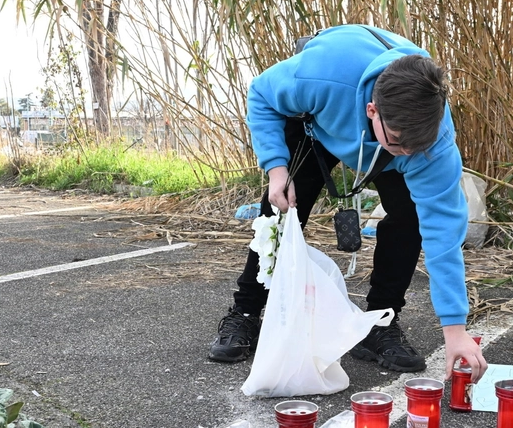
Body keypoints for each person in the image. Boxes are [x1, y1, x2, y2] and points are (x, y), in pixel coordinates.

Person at [208, 24, 487, 382]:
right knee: (281, 206)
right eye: (400, 144)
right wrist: (276, 169)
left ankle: (380, 322)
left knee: (412, 217)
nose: (408, 155)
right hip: (321, 116)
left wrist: (455, 332)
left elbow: (443, 237)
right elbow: (261, 94)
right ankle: (245, 312)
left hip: (389, 136)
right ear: (373, 110)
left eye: (417, 148)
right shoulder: (320, 75)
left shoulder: (431, 146)